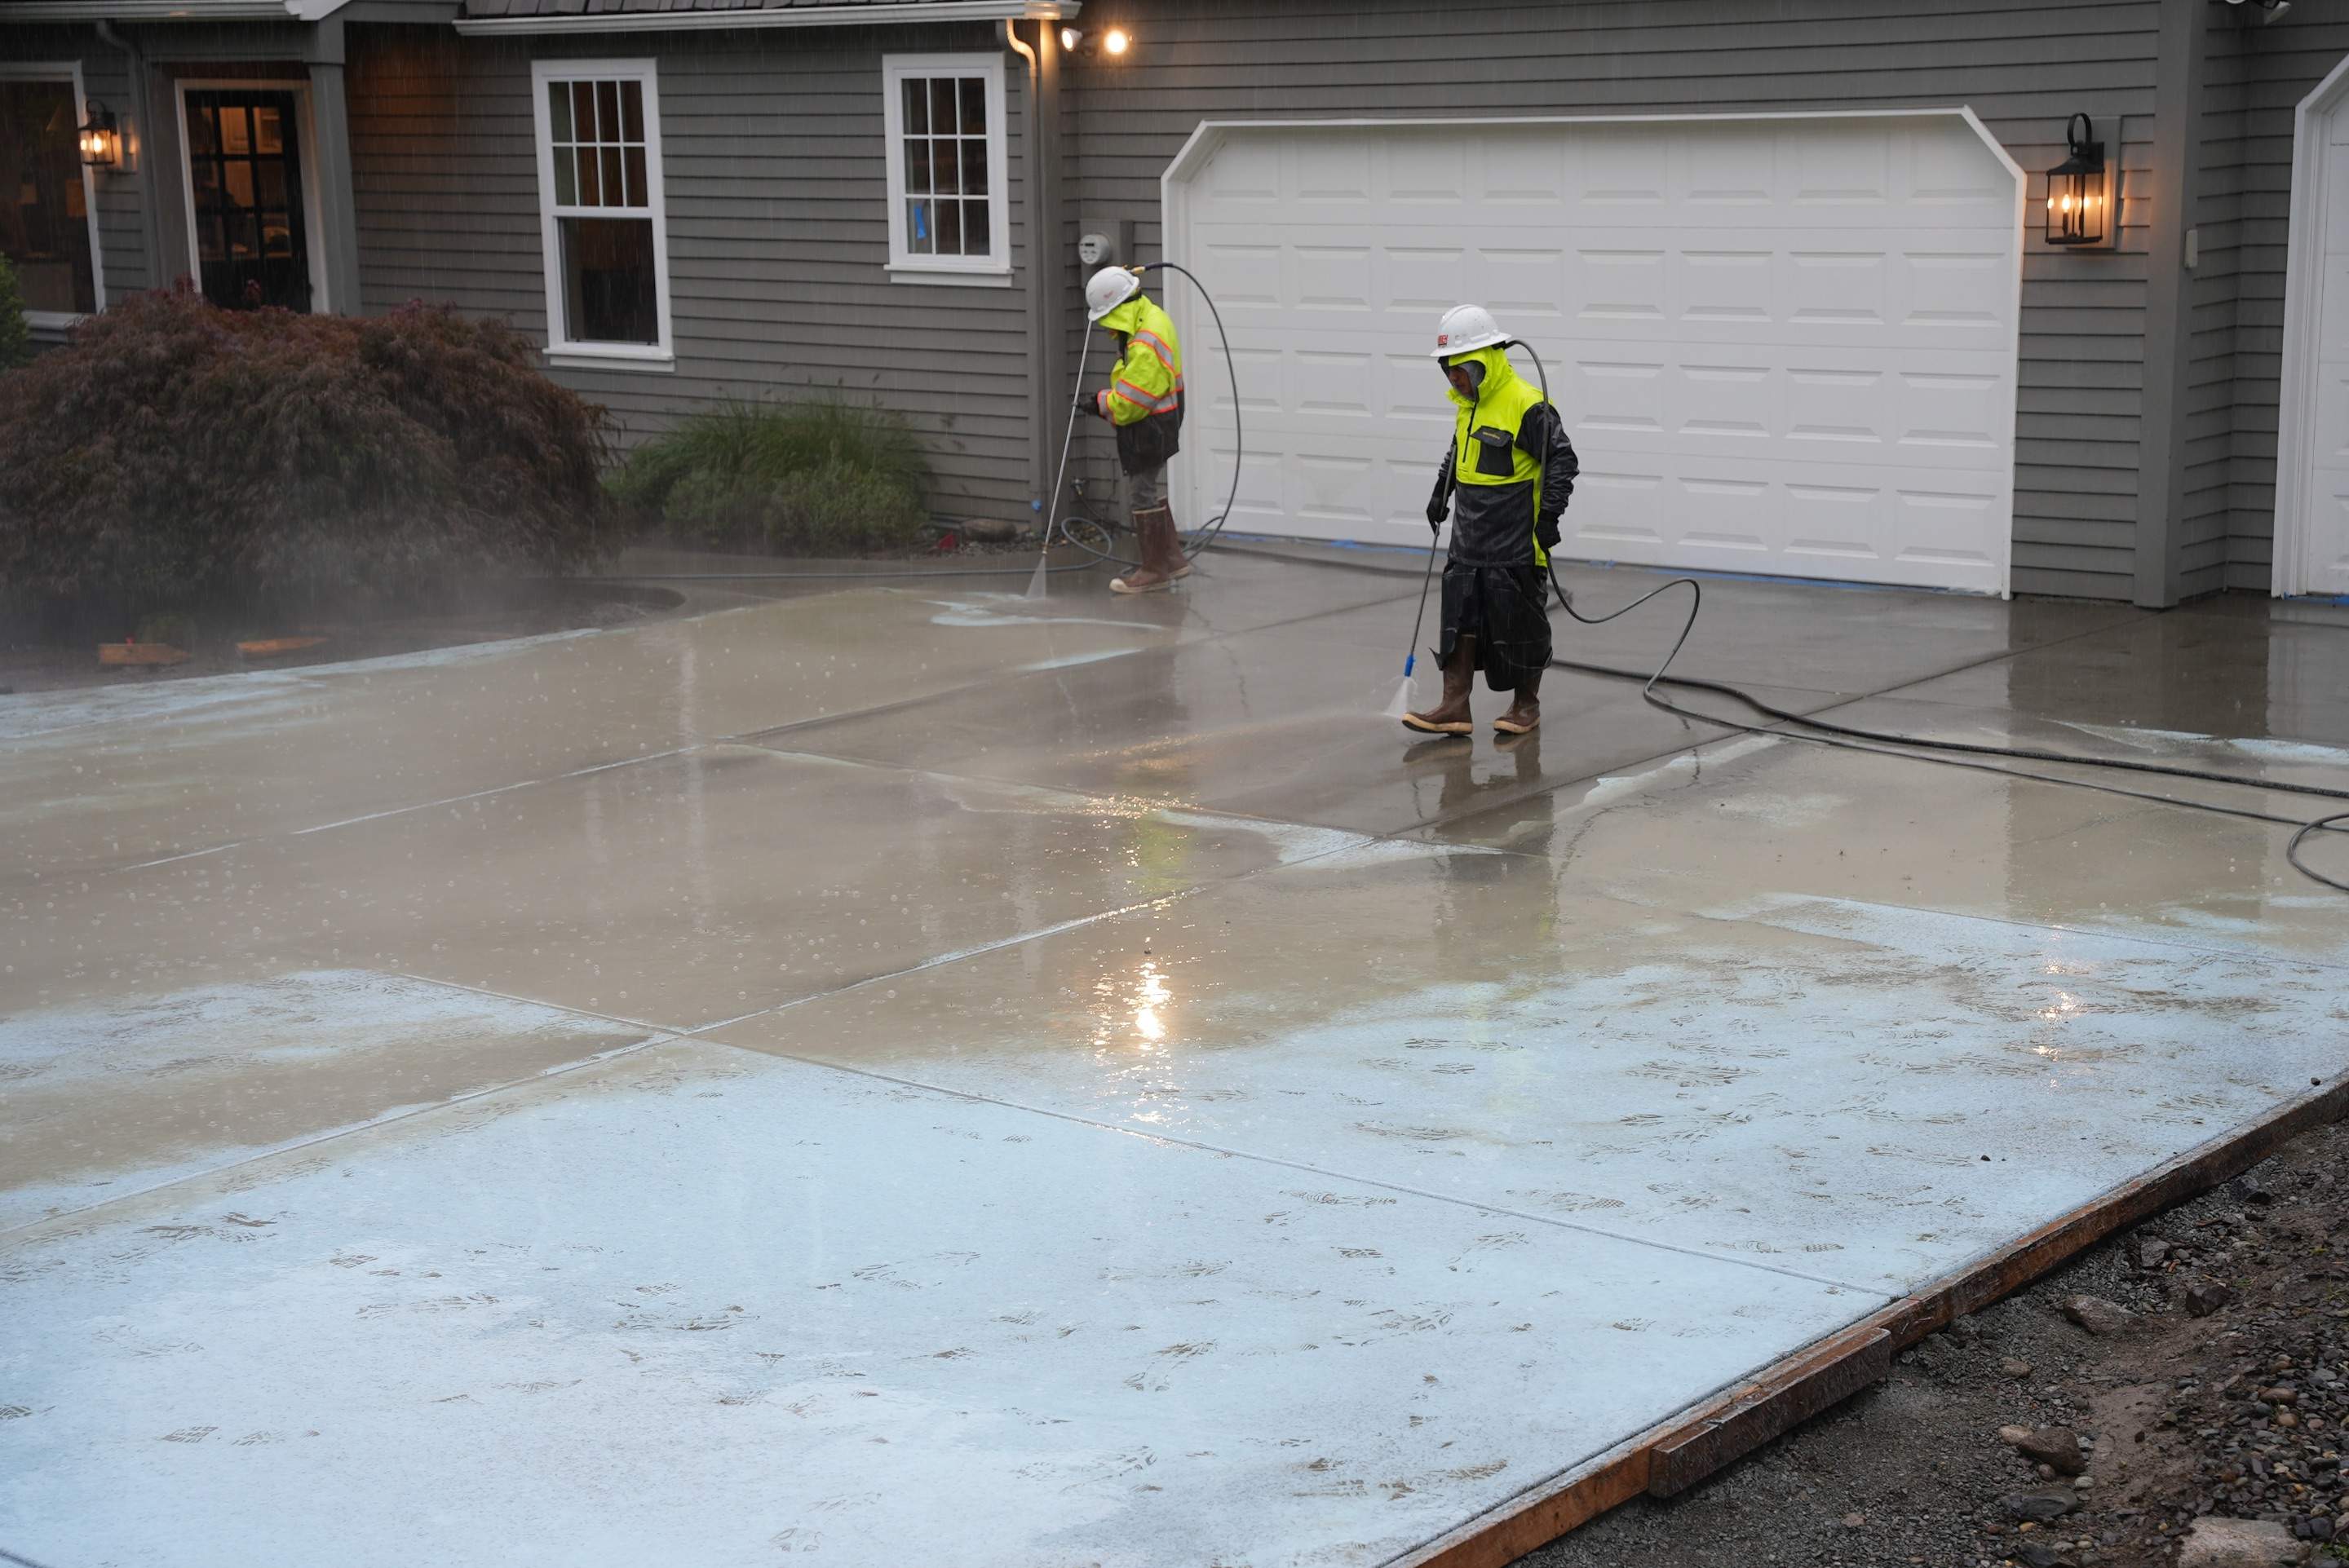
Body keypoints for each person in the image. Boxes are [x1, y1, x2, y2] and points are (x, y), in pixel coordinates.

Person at [1403, 303, 1577, 738]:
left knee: (1519, 621)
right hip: (1469, 534)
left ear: (1485, 361)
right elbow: (1459, 449)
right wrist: (1441, 490)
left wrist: (1549, 516)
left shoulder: (1526, 404)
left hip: (1515, 536)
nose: (1453, 378)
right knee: (1459, 617)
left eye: (1460, 368)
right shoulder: (1468, 404)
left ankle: (1525, 706)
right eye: (1447, 369)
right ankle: (1454, 706)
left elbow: (1562, 460)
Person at [1085, 265, 1189, 594]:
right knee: (1149, 486)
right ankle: (1172, 559)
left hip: (1151, 424)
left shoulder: (1144, 341)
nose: (1106, 326)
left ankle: (1154, 571)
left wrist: (1101, 403)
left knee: (1141, 491)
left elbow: (1132, 402)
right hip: (1163, 418)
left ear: (1117, 308)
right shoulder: (1150, 316)